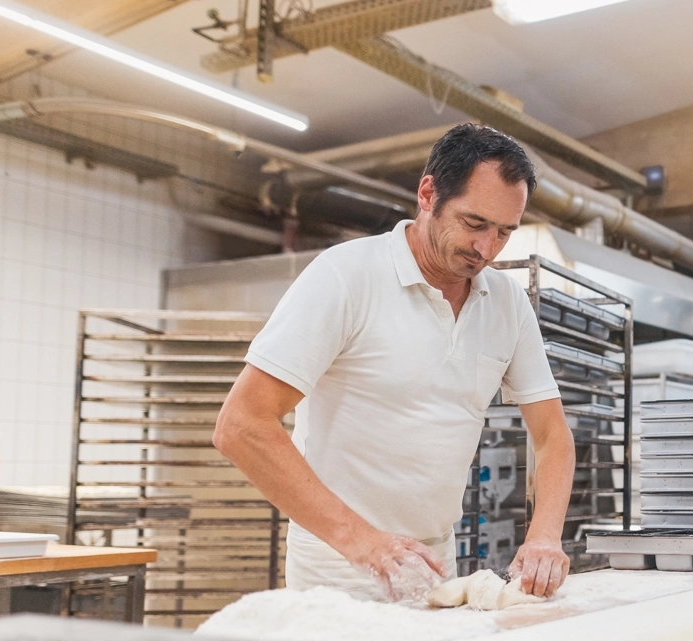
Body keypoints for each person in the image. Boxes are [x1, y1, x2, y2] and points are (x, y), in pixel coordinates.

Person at [214, 124, 574, 601]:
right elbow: (241, 423)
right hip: (339, 566)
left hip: (434, 561)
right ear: (428, 193)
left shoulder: (507, 303)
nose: (487, 249)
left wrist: (544, 534)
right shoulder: (347, 276)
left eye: (505, 232)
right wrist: (362, 542)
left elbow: (552, 435)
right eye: (474, 224)